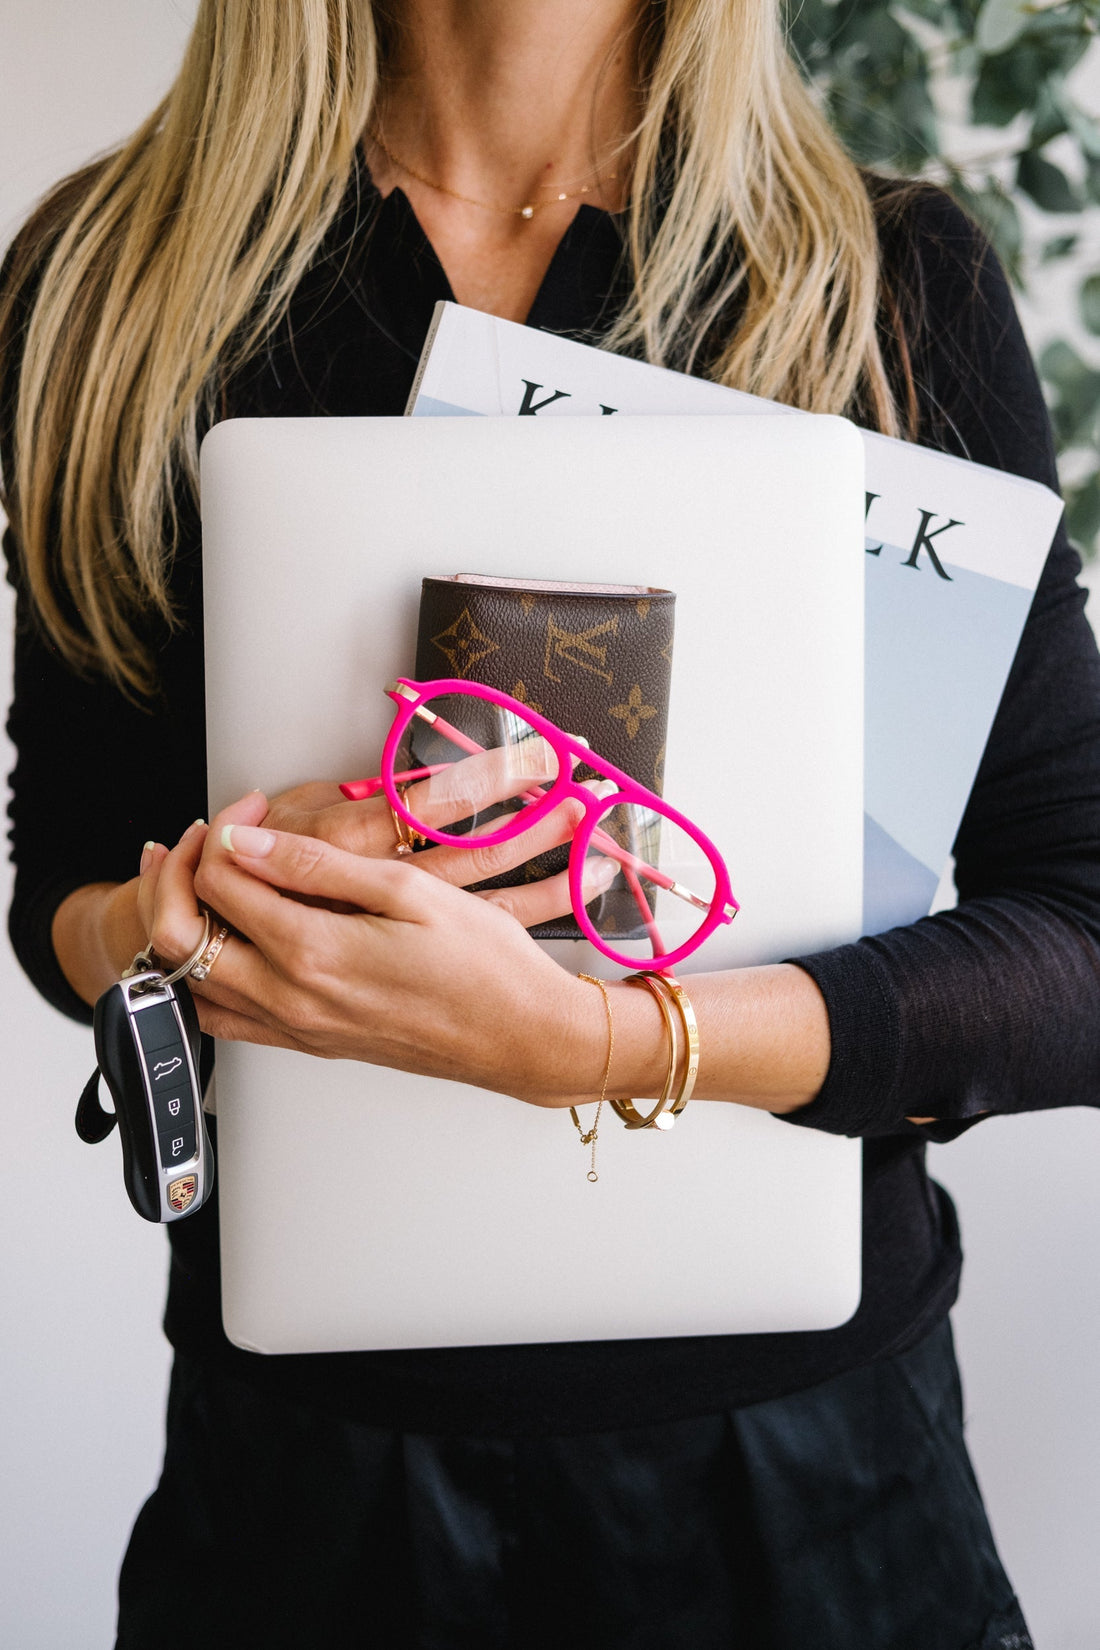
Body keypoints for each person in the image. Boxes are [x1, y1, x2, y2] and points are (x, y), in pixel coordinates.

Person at [3, 2, 1098, 1645]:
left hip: (811, 1486)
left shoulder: (884, 283)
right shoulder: (107, 279)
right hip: (306, 1489)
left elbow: (1080, 933)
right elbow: (64, 884)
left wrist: (609, 1044)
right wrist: (173, 910)